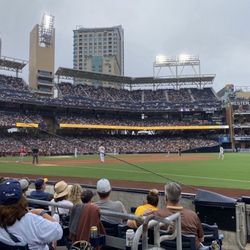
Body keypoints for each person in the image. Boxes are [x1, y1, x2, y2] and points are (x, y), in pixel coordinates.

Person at [0, 179, 63, 249]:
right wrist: (42, 213)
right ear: (22, 198)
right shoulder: (33, 221)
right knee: (56, 217)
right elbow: (58, 232)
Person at [153, 182, 204, 249]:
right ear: (180, 197)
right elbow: (202, 239)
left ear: (166, 197)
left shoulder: (156, 214)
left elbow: (138, 224)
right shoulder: (193, 215)